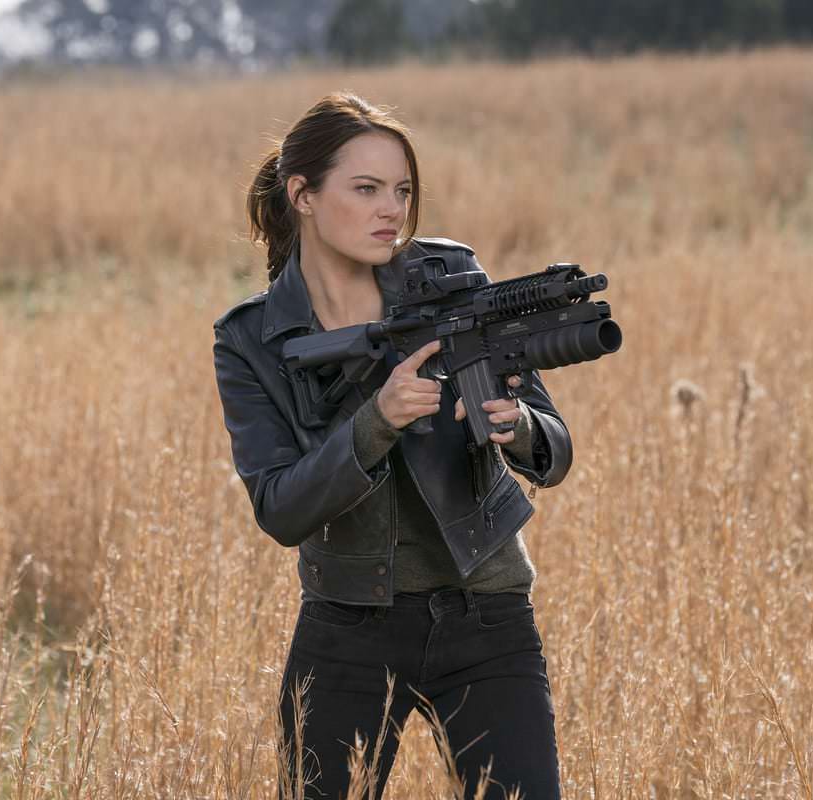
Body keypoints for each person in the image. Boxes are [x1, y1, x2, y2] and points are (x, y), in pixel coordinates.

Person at [212, 92, 573, 800]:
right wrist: (378, 419)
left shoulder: (453, 279)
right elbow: (279, 508)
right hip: (347, 630)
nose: (392, 211)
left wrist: (519, 426)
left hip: (487, 616)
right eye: (367, 189)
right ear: (303, 195)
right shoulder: (251, 339)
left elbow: (554, 448)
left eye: (403, 191)